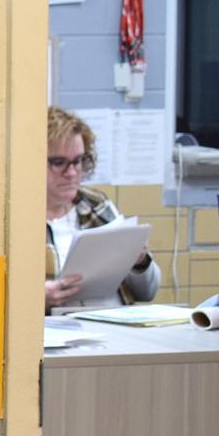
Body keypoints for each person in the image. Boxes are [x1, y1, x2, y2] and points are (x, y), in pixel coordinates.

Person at [45, 105, 159, 311]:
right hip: (54, 328)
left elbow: (148, 292)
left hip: (111, 322)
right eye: (59, 162)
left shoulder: (95, 204)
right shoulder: (16, 217)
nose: (71, 172)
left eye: (78, 161)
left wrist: (139, 261)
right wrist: (39, 297)